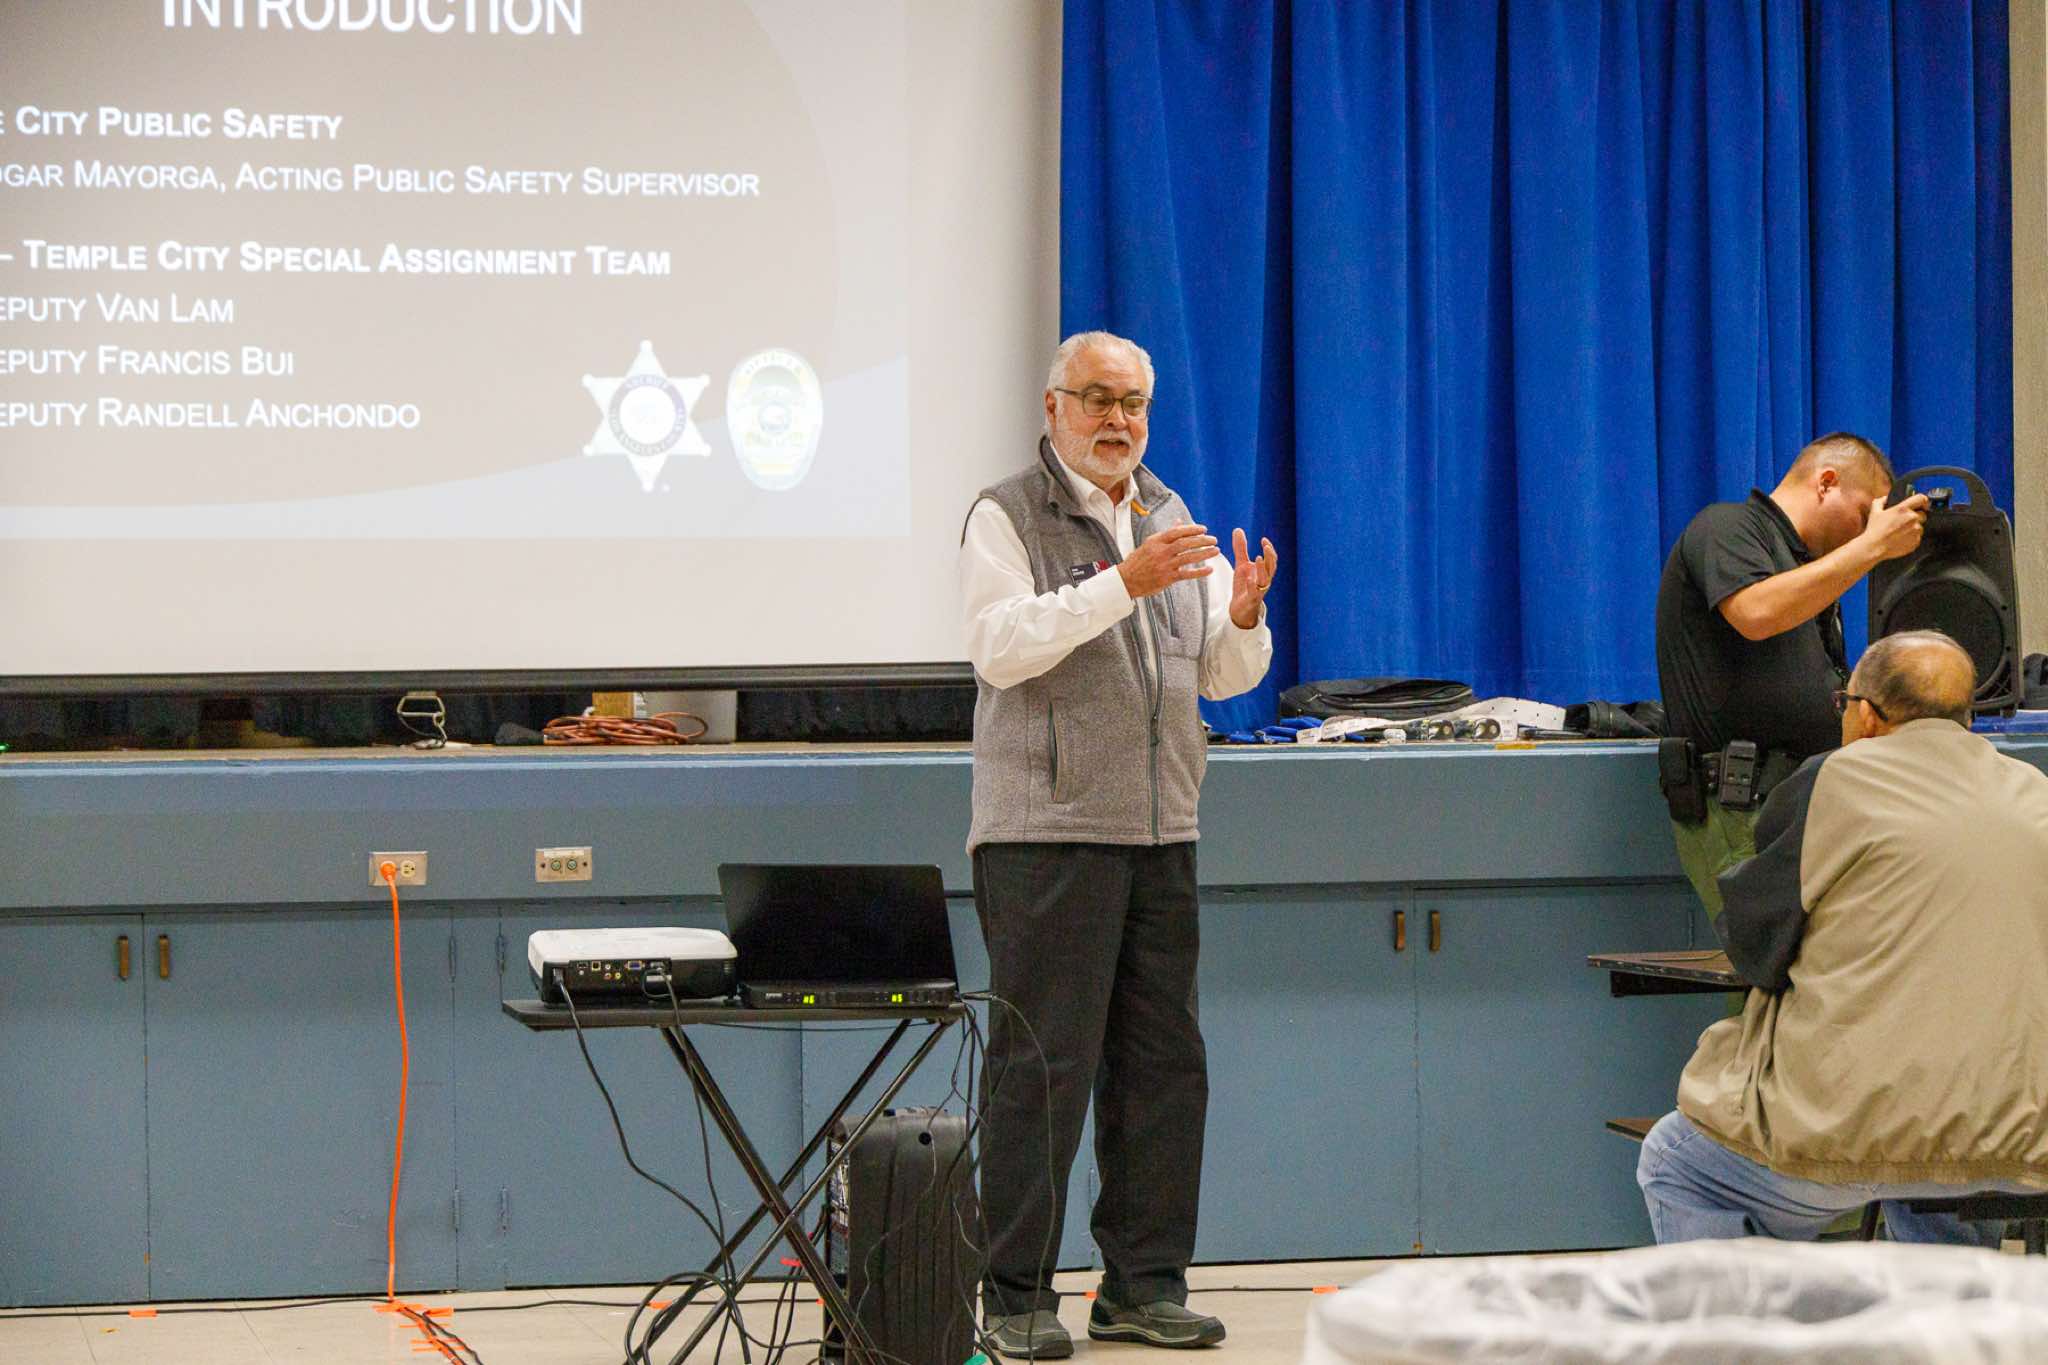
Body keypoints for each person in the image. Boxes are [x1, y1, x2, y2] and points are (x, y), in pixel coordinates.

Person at [959, 330, 1277, 1357]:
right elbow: (999, 649)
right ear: (1053, 406)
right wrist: (1121, 584)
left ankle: (1142, 1287)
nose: (1117, 420)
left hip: (1161, 828)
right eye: (1097, 398)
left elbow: (1216, 675)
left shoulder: (1168, 514)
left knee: (1162, 1069)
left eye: (1133, 402)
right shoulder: (1007, 513)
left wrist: (1241, 618)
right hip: (1047, 833)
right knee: (1041, 1069)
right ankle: (1014, 1297)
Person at [1637, 630, 2048, 1244]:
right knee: (1940, 1166)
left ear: (1869, 715)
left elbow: (1756, 947)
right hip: (2021, 1135)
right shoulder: (2035, 790)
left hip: (1862, 1131)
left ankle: (1733, 1313)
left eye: (1845, 704)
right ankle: (1950, 1304)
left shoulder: (1832, 780)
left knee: (1675, 1162)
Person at [1654, 433, 1929, 919]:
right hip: (1742, 807)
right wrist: (1872, 547)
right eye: (1863, 514)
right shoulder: (1726, 526)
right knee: (1777, 963)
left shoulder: (1806, 568)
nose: (1866, 531)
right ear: (1826, 482)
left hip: (1795, 801)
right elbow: (1756, 612)